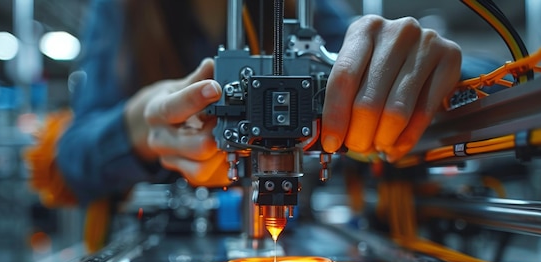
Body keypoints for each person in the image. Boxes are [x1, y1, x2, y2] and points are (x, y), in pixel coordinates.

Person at [54, 0, 461, 206]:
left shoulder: (306, 15)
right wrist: (138, 125)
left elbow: (501, 77)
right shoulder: (121, 12)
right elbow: (71, 159)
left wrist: (425, 70)